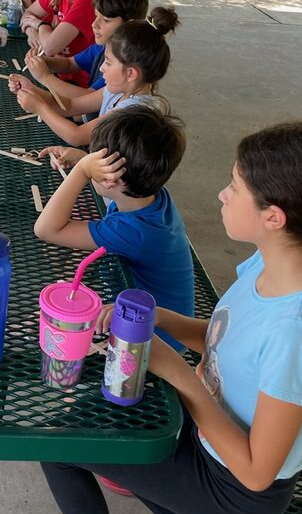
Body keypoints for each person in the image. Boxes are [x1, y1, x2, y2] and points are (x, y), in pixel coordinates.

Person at [28, 121, 302, 514]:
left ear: (273, 217)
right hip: (209, 440)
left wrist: (180, 377)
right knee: (111, 420)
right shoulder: (276, 266)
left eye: (235, 186)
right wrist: (161, 319)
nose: (221, 194)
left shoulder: (298, 334)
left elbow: (256, 472)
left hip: (236, 489)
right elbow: (226, 338)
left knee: (60, 444)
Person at [34, 105, 194, 350]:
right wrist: (83, 160)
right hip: (157, 319)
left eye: (96, 159)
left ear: (110, 176)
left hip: (151, 341)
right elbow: (121, 182)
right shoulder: (151, 195)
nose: (91, 163)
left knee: (45, 330)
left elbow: (46, 230)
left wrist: (82, 170)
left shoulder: (132, 231)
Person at [10, 11, 179, 149]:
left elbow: (77, 136)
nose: (101, 68)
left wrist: (39, 107)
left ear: (131, 74)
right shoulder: (119, 90)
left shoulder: (134, 112)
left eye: (108, 62)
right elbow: (71, 105)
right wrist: (32, 91)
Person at [19, 0, 157, 110]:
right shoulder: (102, 47)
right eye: (96, 16)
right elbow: (70, 64)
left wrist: (45, 77)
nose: (94, 24)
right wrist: (43, 62)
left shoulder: (122, 65)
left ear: (129, 25)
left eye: (106, 20)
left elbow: (85, 98)